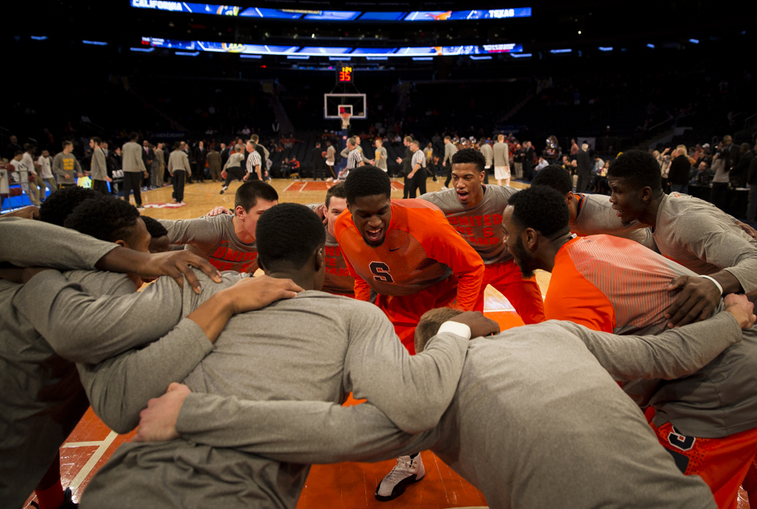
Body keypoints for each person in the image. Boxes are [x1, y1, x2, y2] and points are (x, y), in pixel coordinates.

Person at [132, 300, 757, 509]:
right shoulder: (556, 333)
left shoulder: (431, 397)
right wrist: (732, 317)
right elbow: (665, 354)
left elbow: (333, 432)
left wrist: (190, 412)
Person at [64, 203, 488, 509]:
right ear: (321, 258)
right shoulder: (357, 316)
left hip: (123, 480)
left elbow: (95, 350)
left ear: (260, 259)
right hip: (237, 494)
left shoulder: (197, 285)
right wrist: (453, 330)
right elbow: (416, 407)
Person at [504, 185, 757, 509]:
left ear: (529, 239)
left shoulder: (568, 294)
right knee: (754, 467)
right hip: (754, 367)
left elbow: (643, 367)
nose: (503, 242)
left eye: (505, 233)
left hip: (723, 385)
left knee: (651, 496)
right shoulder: (601, 243)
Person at [606, 150, 757, 508]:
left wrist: (716, 284)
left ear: (645, 194)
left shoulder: (685, 222)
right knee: (748, 449)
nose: (611, 200)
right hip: (755, 324)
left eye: (617, 191)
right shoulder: (660, 217)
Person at [0, 203, 223, 509]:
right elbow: (117, 404)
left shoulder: (29, 267)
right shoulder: (105, 286)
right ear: (119, 247)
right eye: (148, 248)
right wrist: (225, 303)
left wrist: (28, 270)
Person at [335, 165, 484, 500]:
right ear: (349, 210)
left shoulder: (426, 226)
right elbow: (362, 278)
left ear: (391, 203)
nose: (374, 222)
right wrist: (364, 317)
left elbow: (473, 267)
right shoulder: (342, 228)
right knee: (396, 387)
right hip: (399, 305)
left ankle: (487, 453)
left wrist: (457, 318)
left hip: (445, 299)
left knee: (464, 384)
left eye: (381, 212)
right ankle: (410, 461)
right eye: (364, 215)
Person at [420, 149, 545, 324]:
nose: (459, 184)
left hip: (509, 264)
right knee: (465, 324)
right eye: (455, 177)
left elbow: (545, 203)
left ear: (481, 176)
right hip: (471, 268)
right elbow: (403, 210)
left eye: (467, 177)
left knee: (538, 319)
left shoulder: (504, 197)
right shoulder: (439, 201)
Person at [159, 181, 278, 273]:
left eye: (273, 213)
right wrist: (147, 262)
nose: (271, 221)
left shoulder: (270, 240)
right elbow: (148, 226)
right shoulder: (211, 228)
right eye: (262, 214)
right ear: (241, 213)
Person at [532, 164, 654, 247]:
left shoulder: (609, 211)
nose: (546, 214)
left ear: (569, 198)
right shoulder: (555, 211)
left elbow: (659, 216)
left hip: (643, 260)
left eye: (550, 207)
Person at [121, 132, 147, 208]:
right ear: (136, 137)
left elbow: (123, 157)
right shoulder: (138, 146)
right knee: (136, 187)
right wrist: (144, 170)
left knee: (126, 188)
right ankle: (138, 204)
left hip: (126, 169)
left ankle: (126, 204)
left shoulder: (124, 146)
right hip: (135, 169)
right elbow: (138, 159)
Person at [710, 145, 731, 212]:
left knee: (714, 198)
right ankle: (721, 211)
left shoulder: (719, 161)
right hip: (725, 181)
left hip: (717, 181)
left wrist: (714, 159)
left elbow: (712, 168)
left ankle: (714, 211)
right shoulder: (729, 161)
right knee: (722, 198)